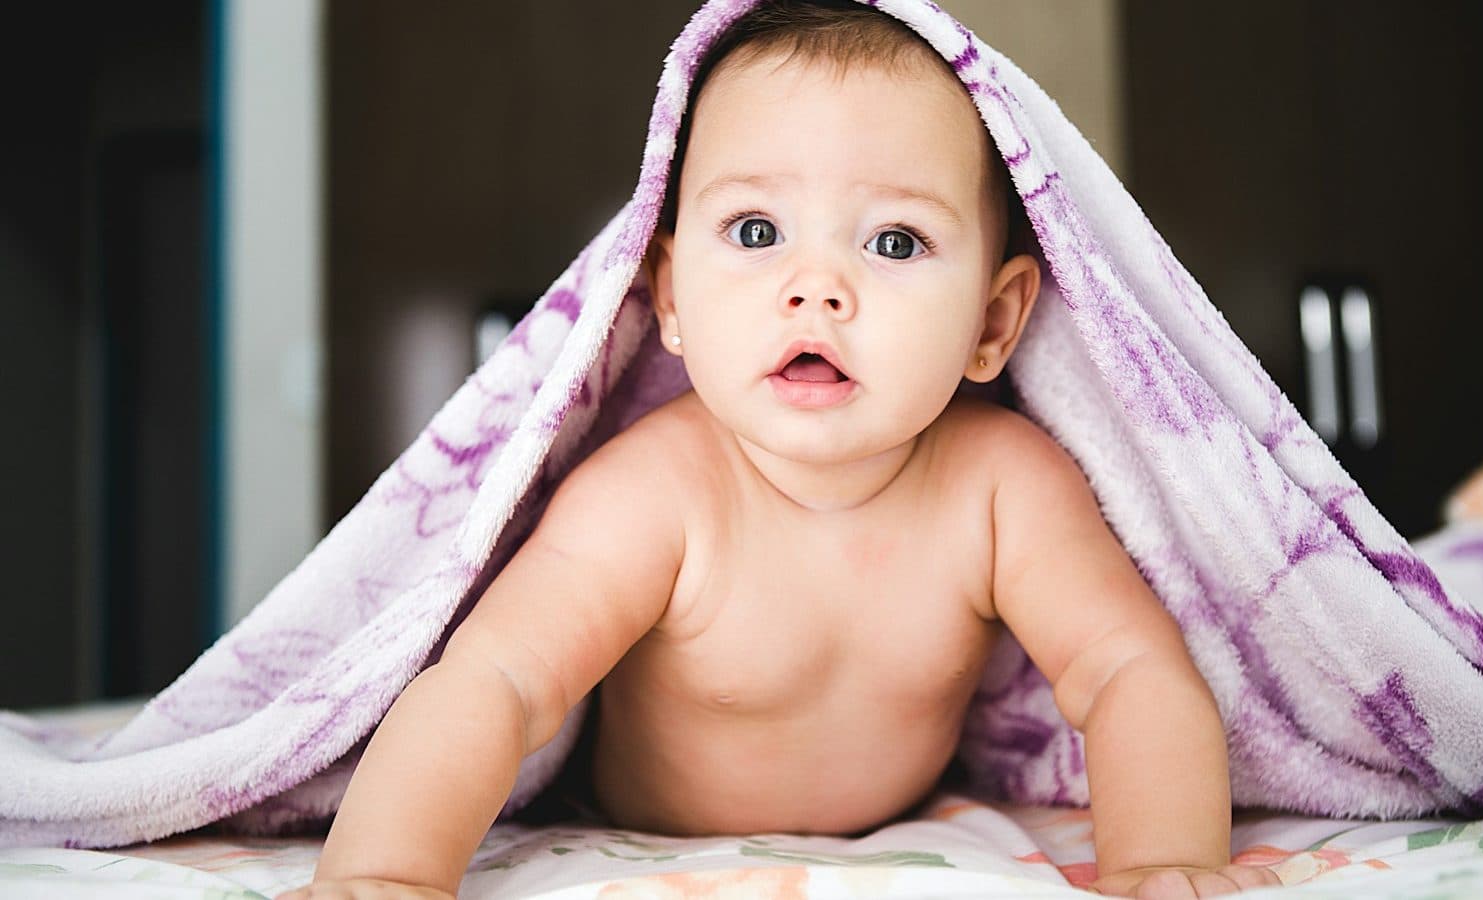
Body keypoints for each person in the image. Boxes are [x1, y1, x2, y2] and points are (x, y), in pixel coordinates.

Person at [283, 2, 1283, 897]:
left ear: (992, 321)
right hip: (643, 824)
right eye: (756, 230)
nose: (815, 288)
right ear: (670, 296)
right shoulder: (654, 494)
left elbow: (1128, 670)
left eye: (894, 242)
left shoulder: (1002, 487)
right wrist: (388, 872)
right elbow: (497, 681)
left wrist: (1161, 859)